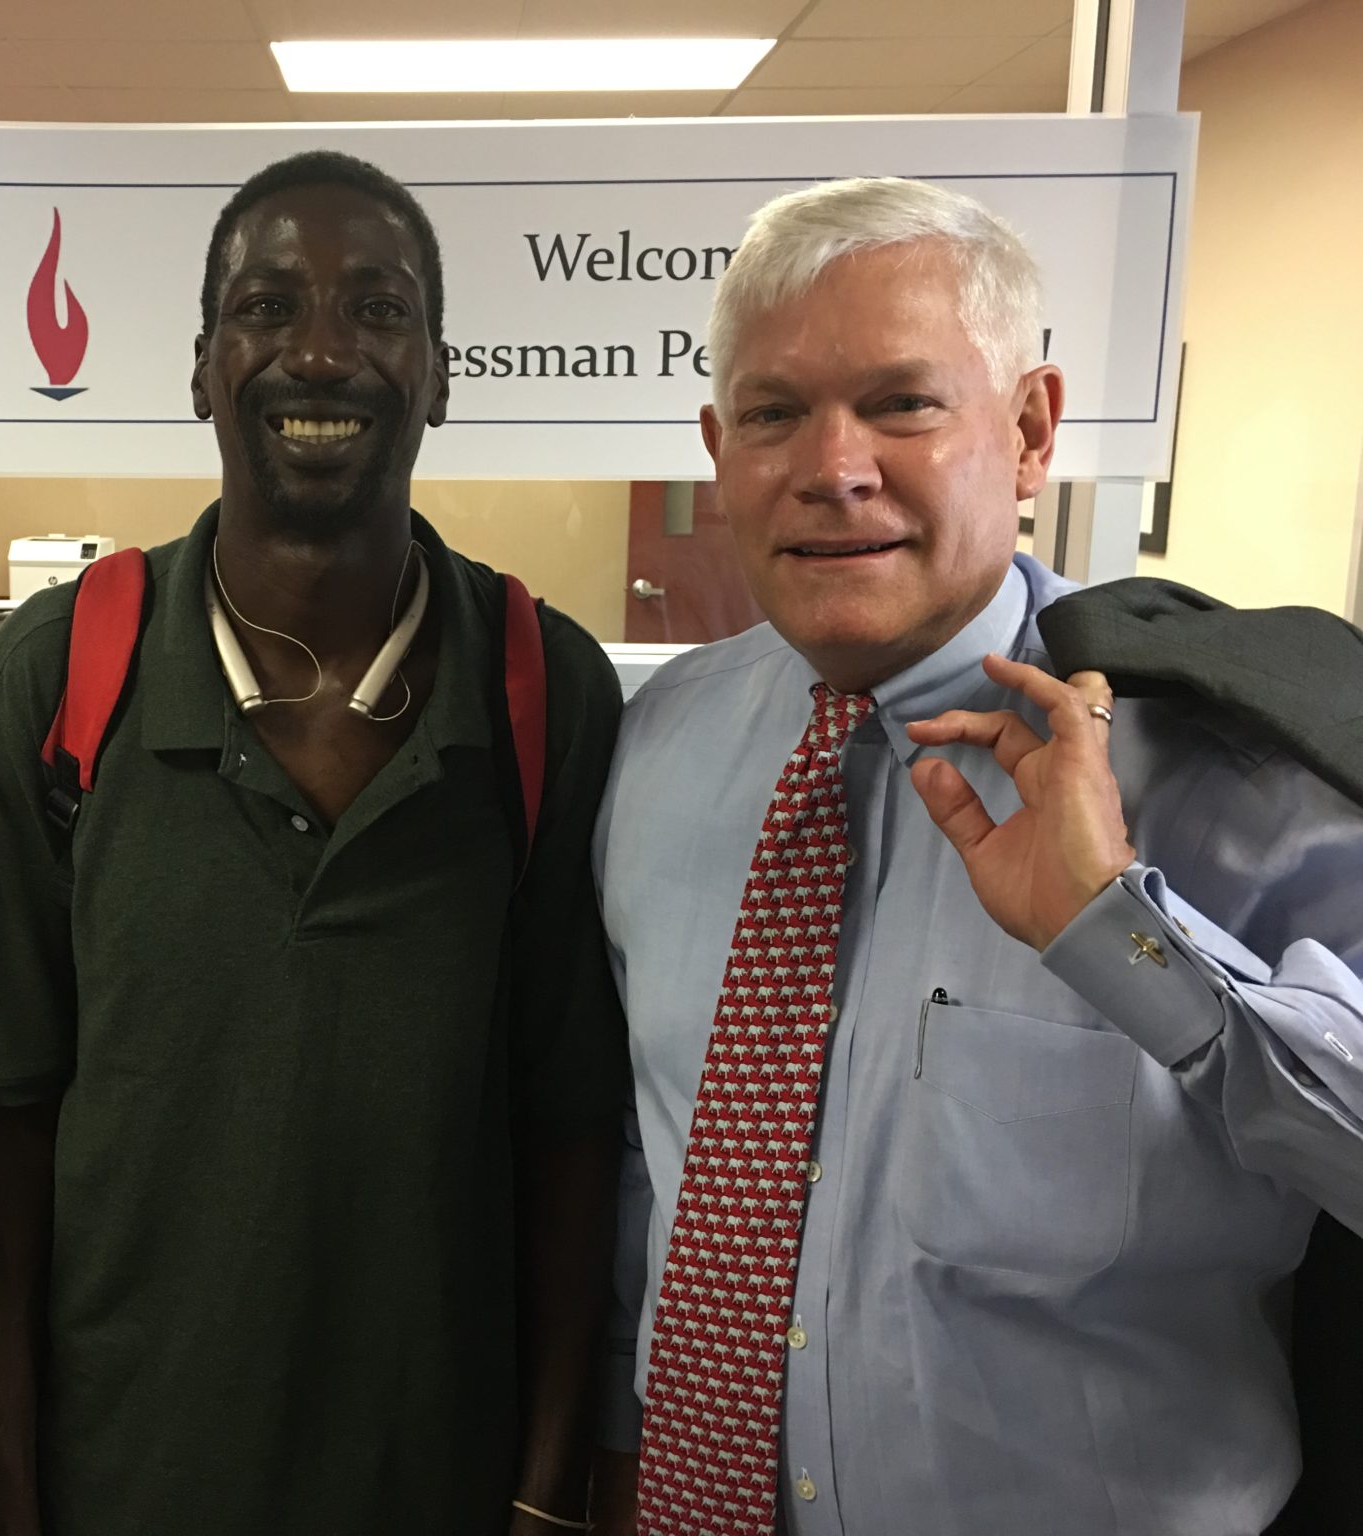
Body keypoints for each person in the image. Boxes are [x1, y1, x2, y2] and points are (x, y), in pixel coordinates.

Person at [591, 175, 1363, 1536]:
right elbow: (661, 1166)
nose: (834, 466)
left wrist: (1133, 941)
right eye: (775, 413)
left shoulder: (1234, 774)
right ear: (721, 451)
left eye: (902, 402)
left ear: (1029, 432)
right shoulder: (659, 747)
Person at [0, 151, 627, 1536]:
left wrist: (549, 1484)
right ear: (205, 368)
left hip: (440, 1470)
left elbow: (572, 1126)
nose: (320, 350)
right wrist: (9, 1489)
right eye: (269, 307)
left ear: (440, 373)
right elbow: (15, 1124)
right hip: (128, 1474)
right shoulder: (66, 672)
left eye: (377, 311)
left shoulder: (541, 685)